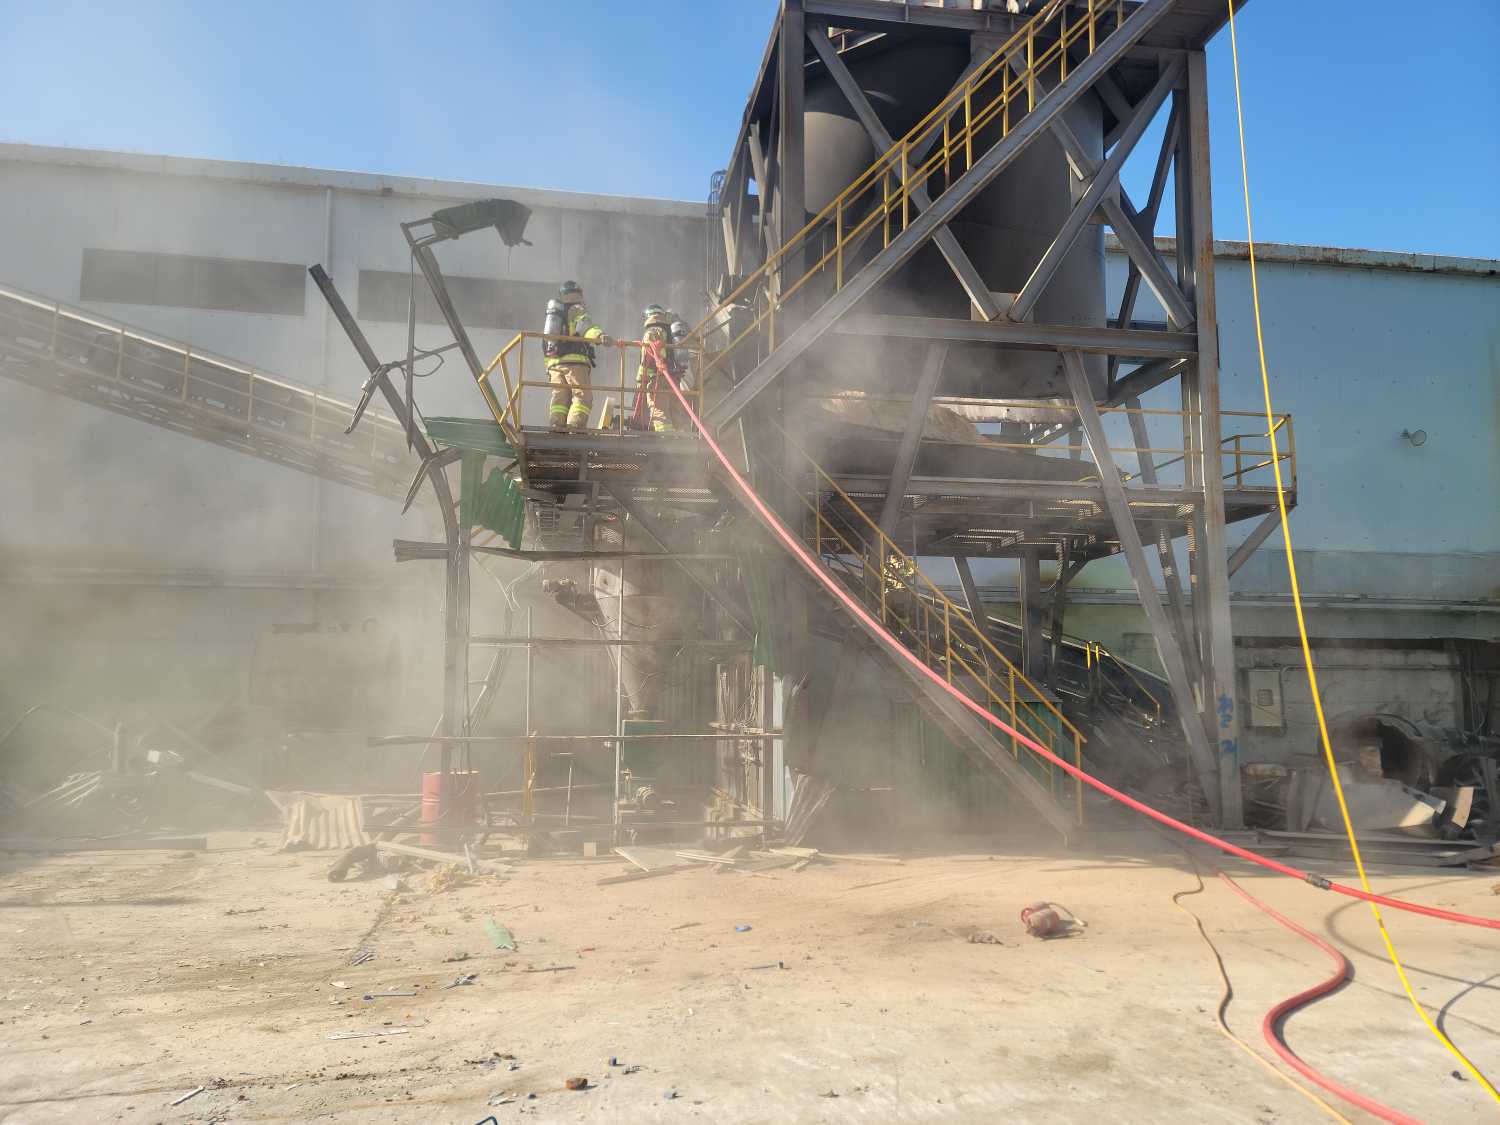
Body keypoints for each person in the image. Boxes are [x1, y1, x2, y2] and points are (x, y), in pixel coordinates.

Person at [542, 281, 609, 432]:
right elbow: (587, 328)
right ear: (578, 294)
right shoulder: (577, 309)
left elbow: (546, 345)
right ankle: (575, 427)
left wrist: (549, 368)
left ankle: (556, 427)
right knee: (582, 396)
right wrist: (600, 336)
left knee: (559, 398)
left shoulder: (554, 315)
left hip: (554, 365)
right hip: (575, 363)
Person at [635, 304, 682, 433]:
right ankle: (681, 438)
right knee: (675, 413)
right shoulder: (669, 331)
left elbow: (647, 359)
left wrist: (640, 379)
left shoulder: (651, 332)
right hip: (674, 379)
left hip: (658, 380)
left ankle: (665, 440)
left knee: (659, 413)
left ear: (649, 316)